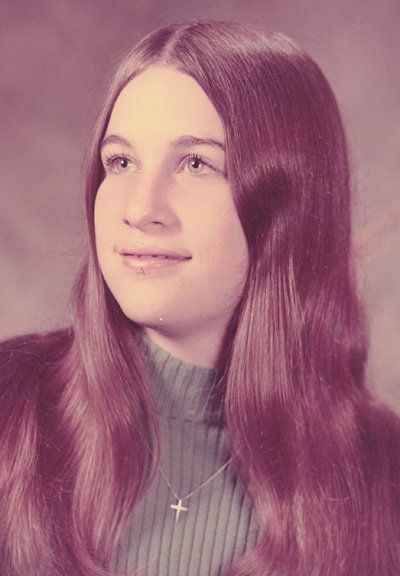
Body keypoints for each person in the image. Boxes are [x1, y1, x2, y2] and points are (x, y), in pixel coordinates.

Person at [0, 19, 399, 576]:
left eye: (195, 164)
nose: (141, 209)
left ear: (288, 204)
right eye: (121, 162)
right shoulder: (10, 406)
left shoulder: (384, 480)